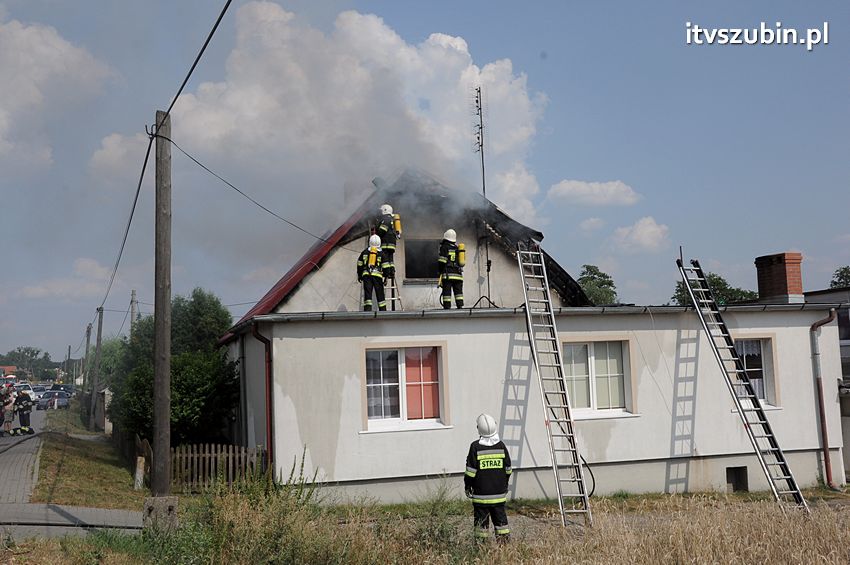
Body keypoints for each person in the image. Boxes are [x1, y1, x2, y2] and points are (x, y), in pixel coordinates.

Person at [464, 413, 512, 543]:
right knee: (502, 526)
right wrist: (504, 485)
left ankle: (482, 549)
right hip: (499, 496)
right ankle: (505, 548)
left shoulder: (475, 447)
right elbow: (508, 470)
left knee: (481, 527)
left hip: (481, 497)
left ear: (479, 429)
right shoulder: (501, 446)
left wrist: (467, 487)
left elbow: (470, 472)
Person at [357, 234, 388, 311]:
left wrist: (360, 275)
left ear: (370, 242)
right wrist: (386, 277)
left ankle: (367, 311)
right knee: (380, 294)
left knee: (368, 294)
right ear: (379, 242)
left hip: (366, 276)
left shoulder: (364, 252)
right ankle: (383, 311)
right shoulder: (381, 253)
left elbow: (359, 264)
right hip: (377, 276)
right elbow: (386, 267)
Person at [438, 229, 464, 309]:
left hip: (448, 275)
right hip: (458, 275)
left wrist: (439, 271)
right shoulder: (457, 248)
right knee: (458, 292)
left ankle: (447, 307)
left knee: (447, 292)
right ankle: (460, 305)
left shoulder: (444, 247)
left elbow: (442, 261)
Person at [374, 204, 400, 280]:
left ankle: (386, 273)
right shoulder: (391, 219)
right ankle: (392, 271)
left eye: (381, 211)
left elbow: (382, 230)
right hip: (391, 243)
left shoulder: (386, 219)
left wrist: (376, 234)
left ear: (385, 210)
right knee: (390, 259)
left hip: (386, 243)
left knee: (385, 258)